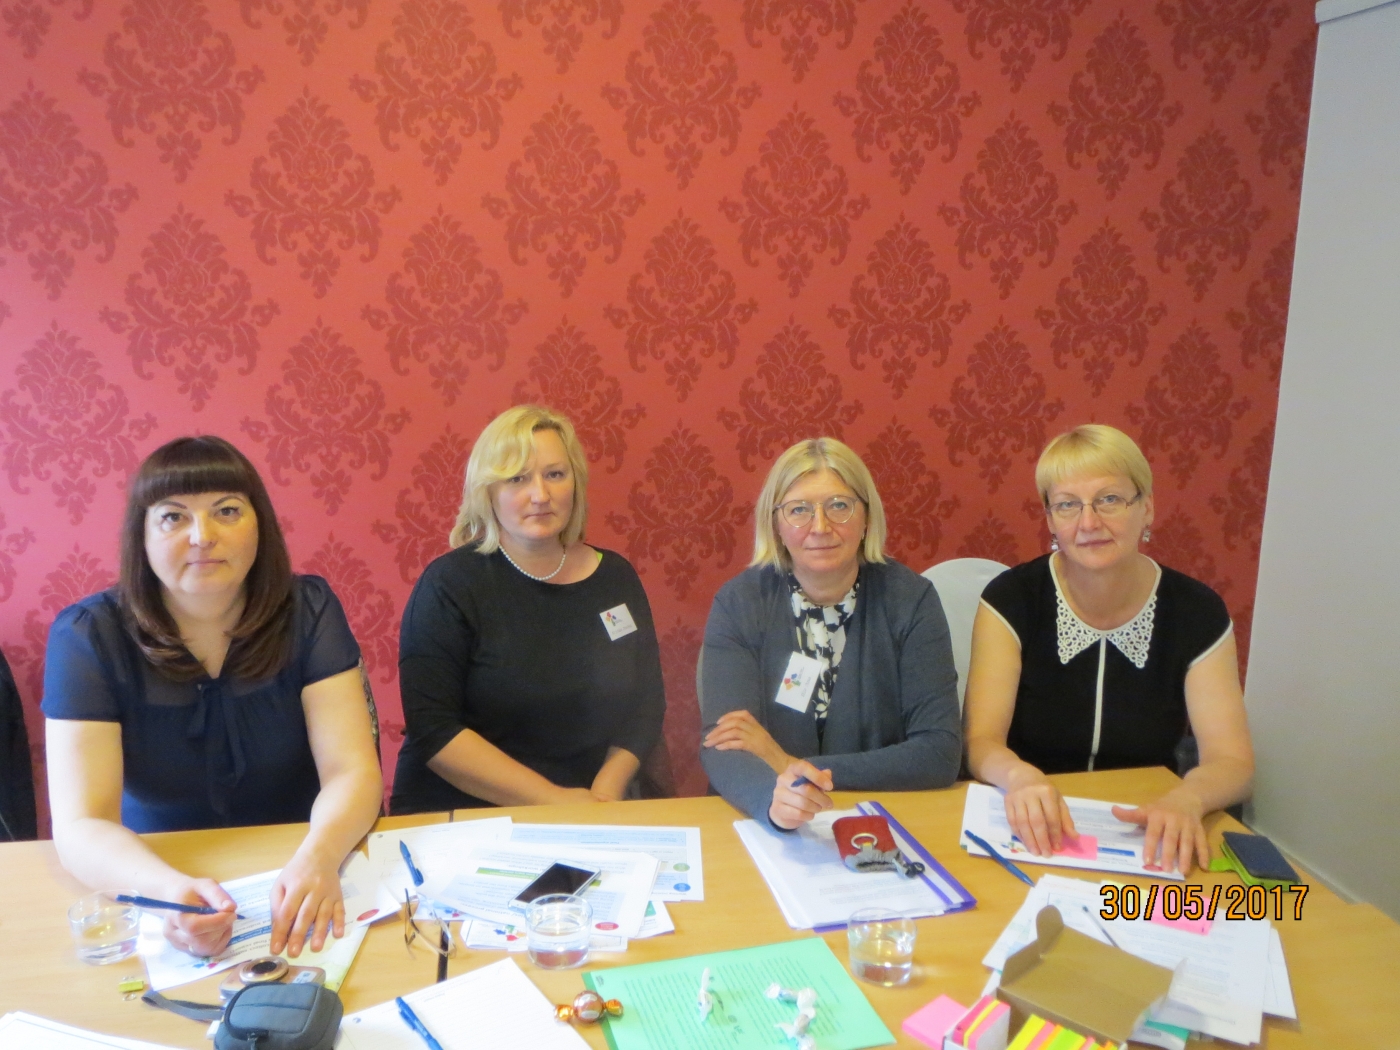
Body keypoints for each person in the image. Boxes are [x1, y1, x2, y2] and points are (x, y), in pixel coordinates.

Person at [43, 436, 383, 958]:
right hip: (153, 868)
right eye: (173, 517)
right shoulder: (87, 636)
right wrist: (164, 893)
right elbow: (80, 824)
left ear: (260, 524)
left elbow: (351, 769)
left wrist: (320, 857)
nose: (203, 536)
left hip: (302, 859)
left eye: (227, 511)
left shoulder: (308, 609)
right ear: (142, 535)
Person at [963, 424, 1254, 875]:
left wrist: (1188, 798)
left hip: (1147, 826)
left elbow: (1232, 761)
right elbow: (980, 741)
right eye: (1067, 505)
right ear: (1050, 520)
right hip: (1030, 825)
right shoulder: (1011, 599)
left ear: (1147, 507)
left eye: (1110, 499)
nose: (1089, 523)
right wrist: (1018, 776)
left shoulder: (1197, 611)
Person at [391, 405, 665, 814]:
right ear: (488, 491)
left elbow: (646, 705)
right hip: (463, 814)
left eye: (554, 474)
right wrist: (554, 801)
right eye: (517, 478)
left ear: (575, 482)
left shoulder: (615, 578)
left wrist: (605, 793)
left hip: (589, 808)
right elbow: (433, 729)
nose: (540, 495)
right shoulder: (449, 585)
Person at [699, 437, 962, 829]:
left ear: (866, 517)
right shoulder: (740, 603)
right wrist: (775, 804)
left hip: (884, 817)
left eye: (839, 506)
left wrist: (789, 764)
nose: (820, 527)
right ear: (776, 524)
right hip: (764, 819)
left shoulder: (911, 600)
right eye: (799, 510)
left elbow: (939, 752)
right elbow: (724, 744)